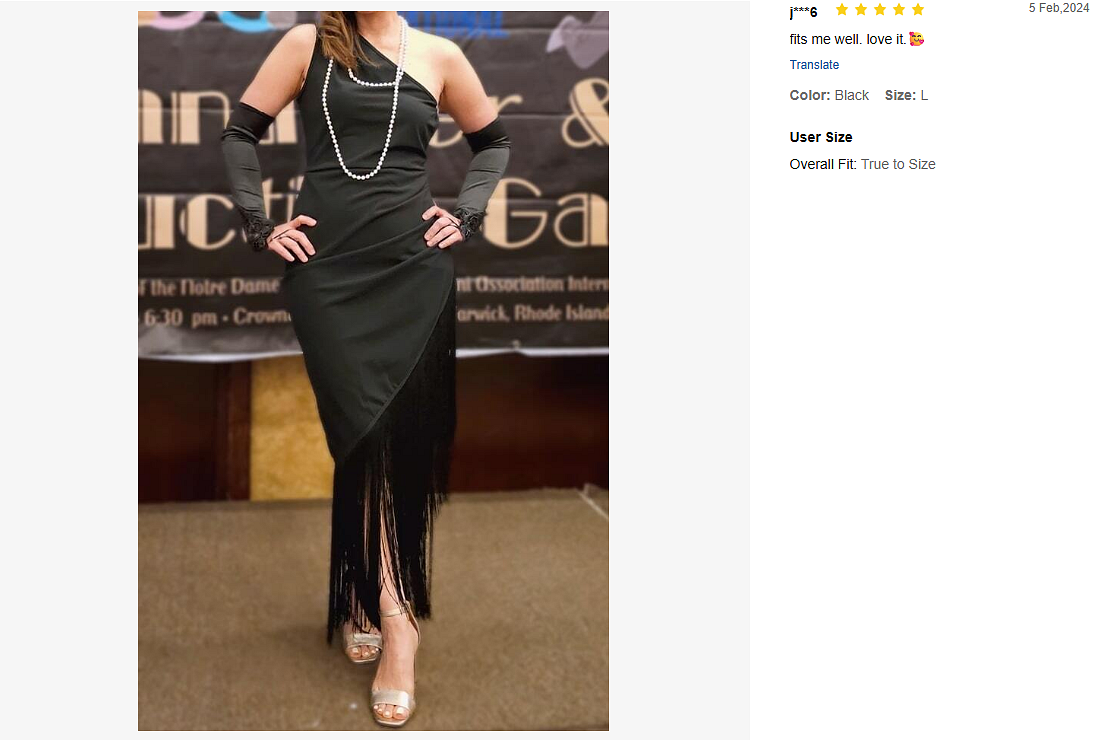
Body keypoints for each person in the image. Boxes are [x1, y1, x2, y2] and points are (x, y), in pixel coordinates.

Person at [220, 11, 510, 728]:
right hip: (327, 274)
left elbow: (494, 142)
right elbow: (239, 134)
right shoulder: (307, 43)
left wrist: (468, 214)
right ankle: (367, 589)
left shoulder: (439, 56)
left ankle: (395, 616)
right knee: (357, 435)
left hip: (412, 270)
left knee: (395, 440)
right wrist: (260, 224)